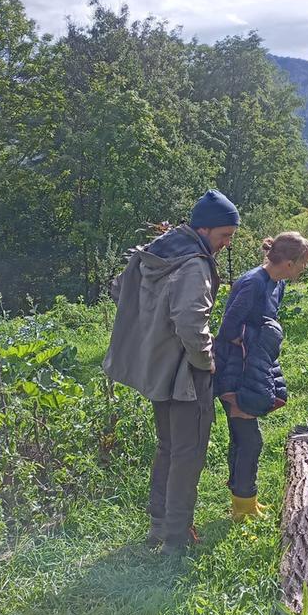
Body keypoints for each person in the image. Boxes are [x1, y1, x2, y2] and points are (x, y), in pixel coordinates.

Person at [103, 189, 240, 555]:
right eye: (224, 235)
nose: (227, 243)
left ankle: (158, 526)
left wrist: (154, 327)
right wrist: (206, 362)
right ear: (205, 228)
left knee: (167, 448)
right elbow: (192, 323)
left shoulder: (159, 250)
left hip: (156, 368)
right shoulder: (194, 264)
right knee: (188, 452)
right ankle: (177, 539)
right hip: (185, 375)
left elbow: (120, 289)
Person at [214, 232, 308, 521]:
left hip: (253, 369)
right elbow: (228, 330)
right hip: (235, 372)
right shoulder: (252, 283)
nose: (303, 270)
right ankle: (243, 506)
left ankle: (244, 499)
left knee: (243, 437)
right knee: (250, 440)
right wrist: (255, 343)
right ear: (290, 262)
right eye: (302, 264)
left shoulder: (276, 284)